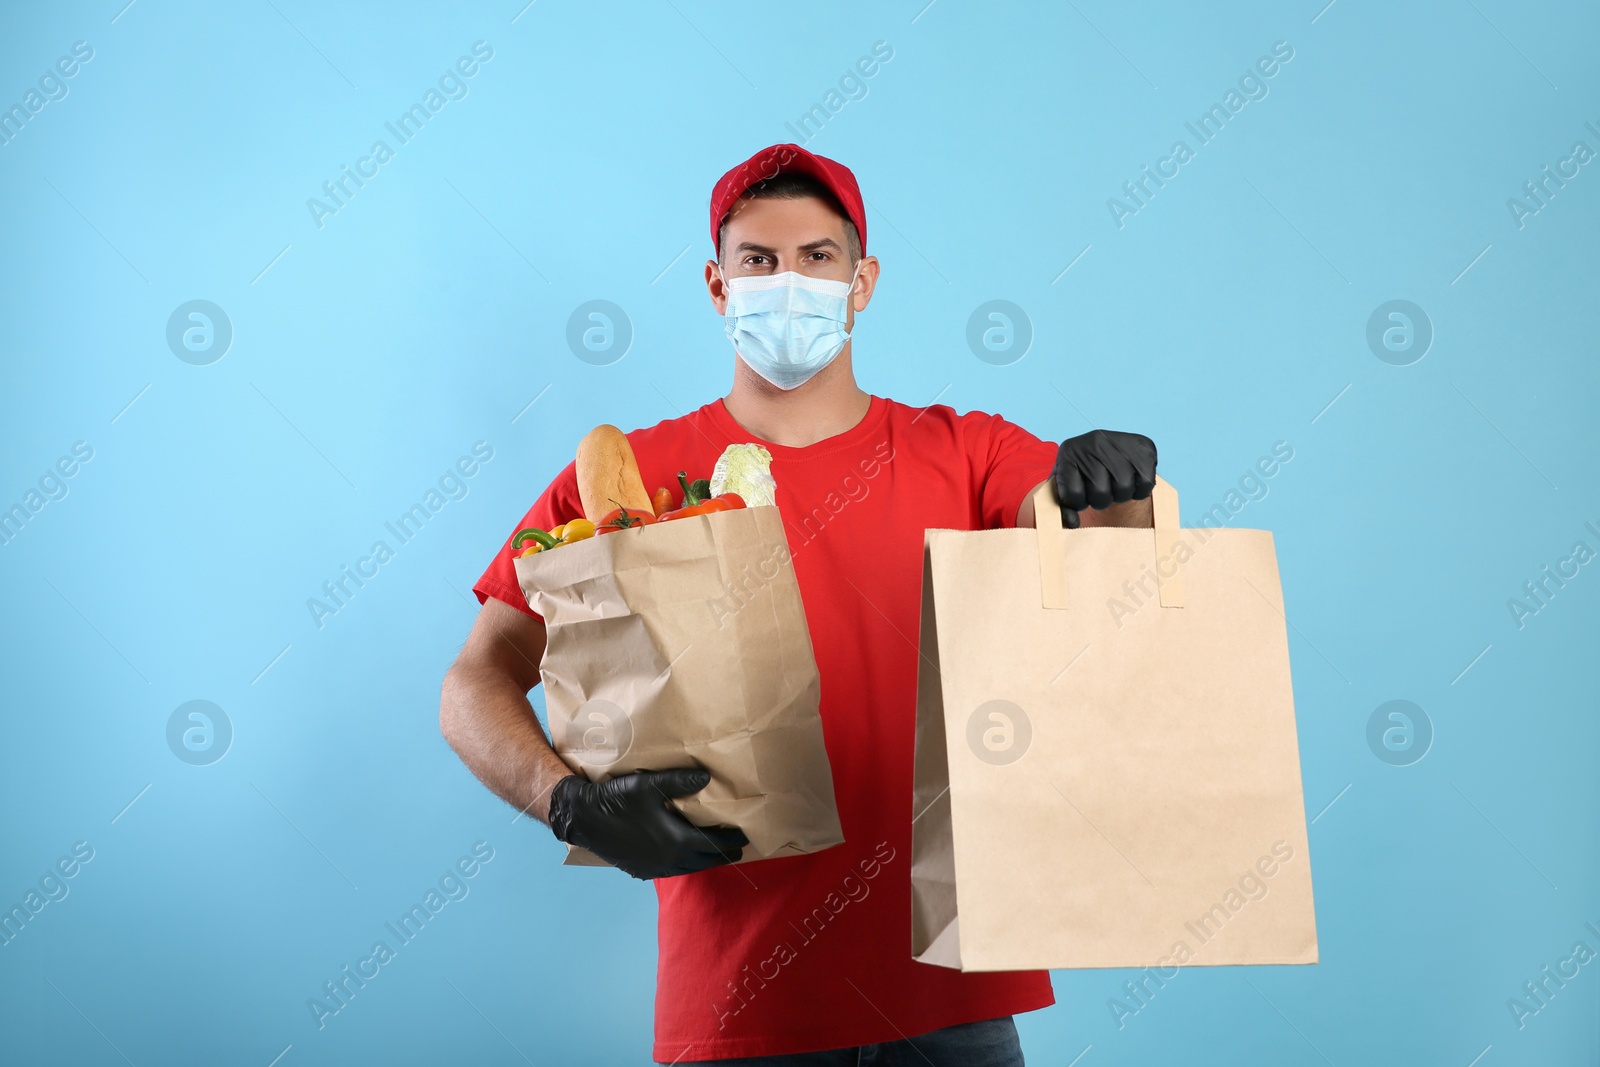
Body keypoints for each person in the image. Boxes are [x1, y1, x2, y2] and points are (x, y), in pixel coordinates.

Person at [439, 143, 1157, 1066]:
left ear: (863, 283)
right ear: (716, 285)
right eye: (759, 260)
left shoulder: (967, 452)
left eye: (818, 258)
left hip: (950, 1003)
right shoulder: (630, 478)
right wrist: (566, 802)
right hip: (738, 1009)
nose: (789, 282)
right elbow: (473, 681)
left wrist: (1119, 484)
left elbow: (1103, 560)